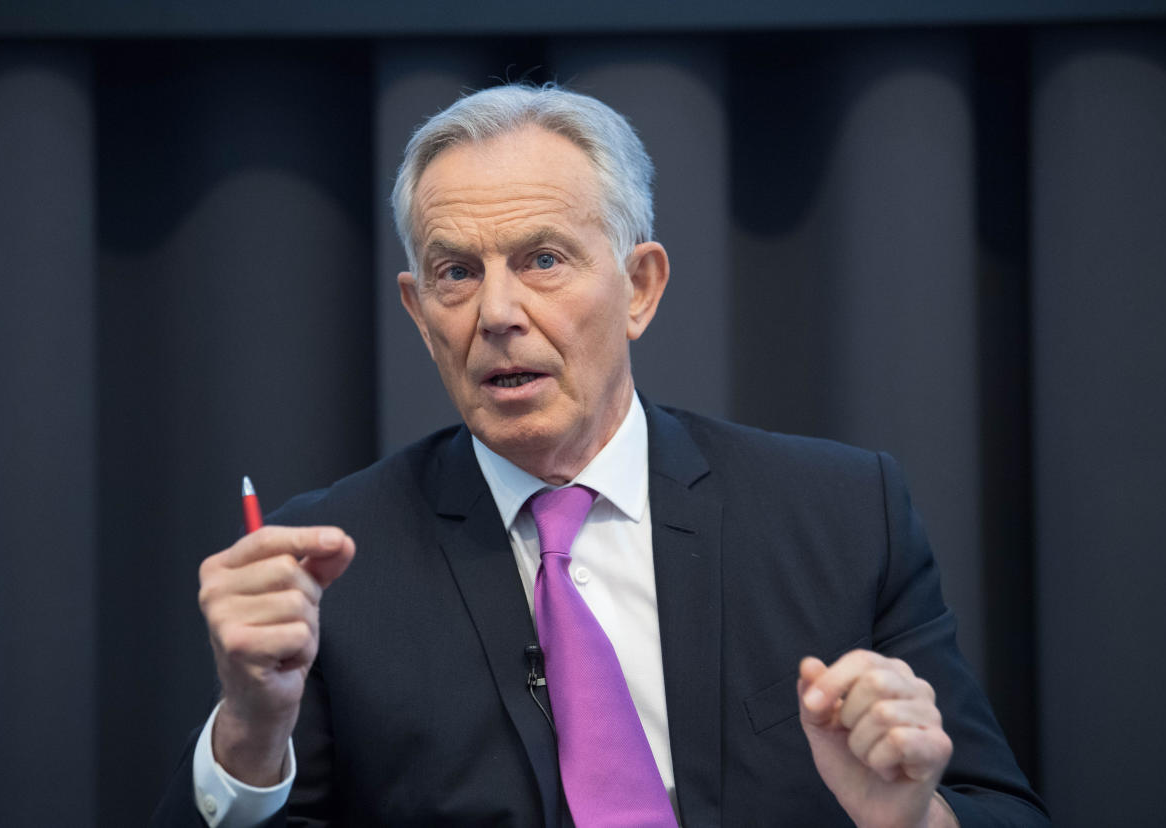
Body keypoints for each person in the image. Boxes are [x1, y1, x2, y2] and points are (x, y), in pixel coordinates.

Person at [153, 83, 1048, 827]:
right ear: (419, 313)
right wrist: (249, 731)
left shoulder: (845, 514)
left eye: (542, 259)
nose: (496, 313)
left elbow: (998, 807)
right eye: (456, 272)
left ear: (640, 288)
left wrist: (917, 817)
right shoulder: (325, 561)